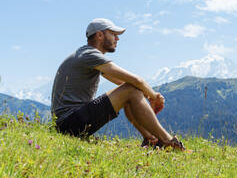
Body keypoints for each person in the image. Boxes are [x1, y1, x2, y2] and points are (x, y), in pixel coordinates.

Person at [51, 18, 184, 150]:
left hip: (68, 123)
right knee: (130, 90)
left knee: (129, 90)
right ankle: (168, 141)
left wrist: (147, 95)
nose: (117, 39)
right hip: (70, 124)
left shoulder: (86, 56)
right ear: (99, 35)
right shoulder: (90, 55)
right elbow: (136, 81)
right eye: (113, 34)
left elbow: (124, 82)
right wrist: (154, 96)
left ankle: (151, 139)